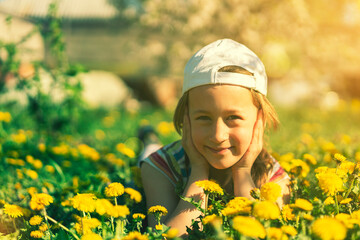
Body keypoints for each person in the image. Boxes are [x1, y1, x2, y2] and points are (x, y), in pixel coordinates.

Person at [139, 39, 290, 236]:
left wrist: (243, 171)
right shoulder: (158, 168)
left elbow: (256, 234)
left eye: (233, 118)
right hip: (166, 154)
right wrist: (198, 171)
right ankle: (149, 139)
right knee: (148, 151)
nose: (218, 136)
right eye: (203, 118)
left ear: (259, 120)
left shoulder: (276, 180)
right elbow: (169, 237)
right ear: (187, 118)